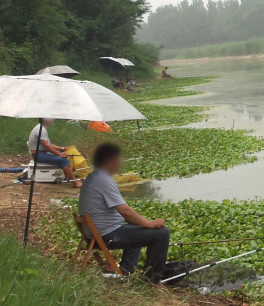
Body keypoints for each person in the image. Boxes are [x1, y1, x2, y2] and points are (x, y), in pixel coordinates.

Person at [78, 142, 169, 284]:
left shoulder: (93, 177)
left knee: (136, 227)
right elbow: (124, 210)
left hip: (95, 233)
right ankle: (153, 280)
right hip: (106, 234)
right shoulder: (104, 180)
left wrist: (143, 224)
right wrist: (149, 224)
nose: (120, 164)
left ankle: (126, 269)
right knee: (161, 234)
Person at [27, 118, 81, 188]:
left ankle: (67, 175)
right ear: (46, 120)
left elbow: (49, 144)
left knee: (65, 154)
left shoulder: (41, 128)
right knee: (63, 160)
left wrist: (63, 149)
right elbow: (46, 146)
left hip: (41, 152)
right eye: (51, 118)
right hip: (38, 155)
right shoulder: (41, 130)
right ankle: (75, 182)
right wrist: (59, 154)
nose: (52, 120)